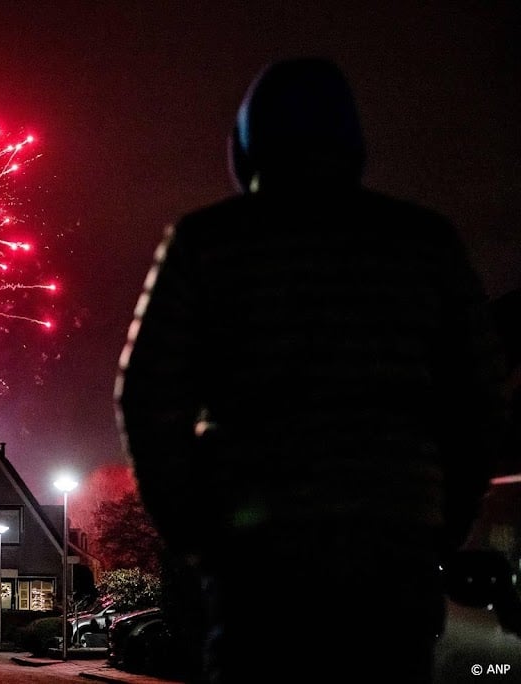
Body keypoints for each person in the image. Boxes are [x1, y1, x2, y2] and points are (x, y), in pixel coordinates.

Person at [115, 57, 507, 684]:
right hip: (393, 549)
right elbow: (481, 401)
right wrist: (436, 521)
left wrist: (199, 539)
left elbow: (145, 397)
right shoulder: (424, 242)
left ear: (246, 146)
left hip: (258, 557)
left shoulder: (205, 242)